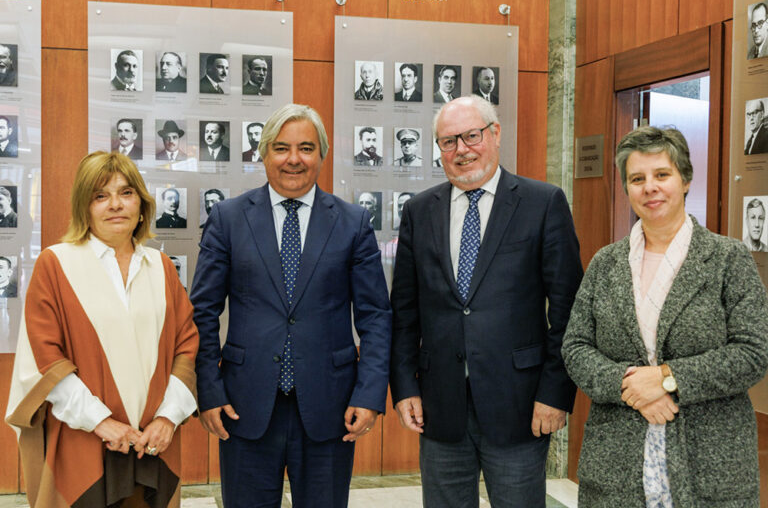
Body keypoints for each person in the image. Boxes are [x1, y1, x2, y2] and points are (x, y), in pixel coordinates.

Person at [191, 103, 391, 508]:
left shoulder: (353, 222)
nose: (294, 159)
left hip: (331, 406)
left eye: (306, 148)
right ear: (263, 154)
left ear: (322, 155)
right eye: (281, 148)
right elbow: (202, 312)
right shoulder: (228, 218)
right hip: (243, 405)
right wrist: (208, 391)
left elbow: (375, 317)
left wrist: (369, 394)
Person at [390, 95, 582, 508]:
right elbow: (404, 312)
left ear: (495, 134)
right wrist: (404, 385)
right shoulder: (420, 211)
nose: (461, 150)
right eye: (448, 141)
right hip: (440, 407)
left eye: (471, 136)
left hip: (520, 407)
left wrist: (555, 393)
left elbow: (568, 311)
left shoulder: (542, 203)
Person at [562, 126, 768, 507]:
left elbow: (753, 352)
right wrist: (630, 387)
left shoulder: (728, 259)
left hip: (710, 459)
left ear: (685, 180)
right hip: (617, 459)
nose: (650, 188)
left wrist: (668, 379)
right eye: (637, 179)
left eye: (662, 175)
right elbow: (576, 346)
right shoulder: (606, 263)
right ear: (626, 189)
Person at [5, 151, 198, 507]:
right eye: (100, 195)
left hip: (150, 444)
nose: (115, 205)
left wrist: (168, 418)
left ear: (141, 204)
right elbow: (46, 358)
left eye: (126, 193)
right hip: (84, 442)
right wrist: (101, 422)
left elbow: (185, 347)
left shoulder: (160, 267)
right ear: (84, 207)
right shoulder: (57, 263)